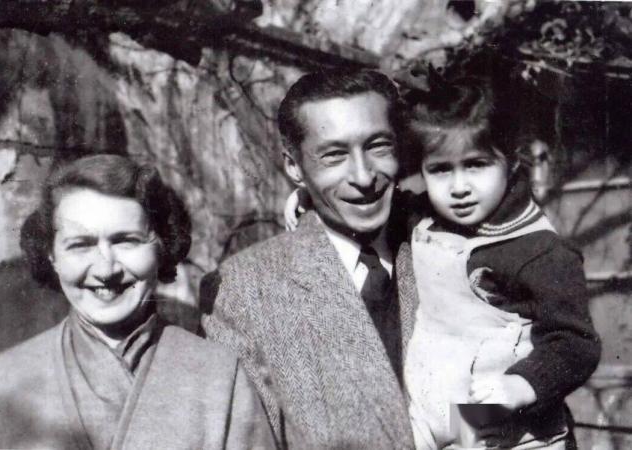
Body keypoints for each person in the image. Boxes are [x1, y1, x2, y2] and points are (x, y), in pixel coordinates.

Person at [0, 154, 274, 449]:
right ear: (52, 256)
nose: (106, 269)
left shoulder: (220, 376)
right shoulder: (1, 384)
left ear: (161, 246)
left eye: (126, 241)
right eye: (80, 245)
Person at [199, 69, 416, 449]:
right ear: (294, 166)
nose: (363, 176)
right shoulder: (245, 293)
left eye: (378, 147)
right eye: (334, 156)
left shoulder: (448, 250)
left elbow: (495, 397)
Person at [399, 74, 601, 449]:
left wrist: (522, 385)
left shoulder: (538, 251)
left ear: (511, 163)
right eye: (440, 169)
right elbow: (376, 208)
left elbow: (575, 342)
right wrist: (310, 201)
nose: (459, 187)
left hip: (504, 422)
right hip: (433, 407)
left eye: (476, 164)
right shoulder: (422, 217)